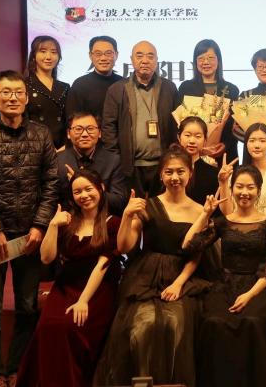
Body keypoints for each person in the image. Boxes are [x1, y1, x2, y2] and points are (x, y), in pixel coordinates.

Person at [0, 70, 58, 387]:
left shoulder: (41, 134)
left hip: (29, 235)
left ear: (27, 97)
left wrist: (40, 225)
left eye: (18, 92)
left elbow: (50, 184)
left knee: (28, 308)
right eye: (5, 92)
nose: (13, 98)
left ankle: (18, 367)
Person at [95, 146, 211, 387]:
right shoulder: (148, 206)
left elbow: (196, 256)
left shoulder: (200, 211)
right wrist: (127, 216)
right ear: (161, 175)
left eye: (180, 171)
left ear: (190, 173)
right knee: (141, 325)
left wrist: (178, 284)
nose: (175, 177)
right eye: (169, 172)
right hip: (146, 275)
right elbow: (125, 246)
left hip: (182, 277)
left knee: (175, 324)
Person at [16, 170, 121, 387]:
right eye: (77, 192)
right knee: (47, 327)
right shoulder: (68, 222)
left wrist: (83, 300)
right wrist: (53, 225)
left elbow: (102, 266)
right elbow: (46, 258)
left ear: (101, 188)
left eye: (88, 189)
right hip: (65, 286)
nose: (84, 195)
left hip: (97, 289)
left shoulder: (112, 223)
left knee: (71, 328)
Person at [182, 165, 266, 387]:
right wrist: (205, 214)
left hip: (258, 287)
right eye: (239, 186)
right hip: (224, 285)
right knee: (214, 323)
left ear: (259, 190)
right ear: (232, 188)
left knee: (252, 322)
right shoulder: (223, 222)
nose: (244, 192)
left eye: (250, 187)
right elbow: (188, 245)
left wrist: (249, 295)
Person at [102, 40, 179, 198]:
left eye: (150, 56)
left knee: (160, 209)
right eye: (139, 56)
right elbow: (108, 128)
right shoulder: (117, 89)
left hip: (163, 165)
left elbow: (177, 124)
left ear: (157, 61)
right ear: (131, 60)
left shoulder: (169, 88)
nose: (145, 60)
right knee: (135, 209)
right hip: (130, 167)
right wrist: (118, 160)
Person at [177, 39, 240, 161]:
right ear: (195, 62)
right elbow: (178, 123)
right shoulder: (186, 88)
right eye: (201, 58)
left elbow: (235, 126)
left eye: (211, 58)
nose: (206, 62)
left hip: (223, 154)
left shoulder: (232, 90)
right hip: (192, 155)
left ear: (218, 60)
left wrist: (225, 145)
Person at [57, 112, 129, 215]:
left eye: (90, 129)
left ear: (99, 133)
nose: (85, 134)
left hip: (104, 219)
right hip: (68, 218)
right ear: (68, 133)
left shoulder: (113, 160)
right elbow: (51, 199)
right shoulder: (57, 160)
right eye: (78, 129)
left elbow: (120, 202)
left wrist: (93, 188)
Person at [222, 123, 266, 217]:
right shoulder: (237, 174)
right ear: (246, 144)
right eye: (252, 141)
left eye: (262, 141)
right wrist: (223, 182)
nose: (257, 145)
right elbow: (228, 213)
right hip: (241, 224)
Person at [24, 35, 70, 149]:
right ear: (33, 56)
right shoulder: (24, 85)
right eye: (43, 51)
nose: (48, 57)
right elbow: (22, 121)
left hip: (62, 149)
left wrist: (66, 146)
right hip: (34, 148)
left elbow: (69, 120)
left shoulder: (65, 87)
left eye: (54, 52)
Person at [66, 35, 123, 120]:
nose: (103, 58)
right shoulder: (80, 85)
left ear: (116, 55)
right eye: (98, 54)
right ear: (90, 56)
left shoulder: (123, 83)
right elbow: (72, 119)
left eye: (108, 53)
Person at [177, 116, 220, 205]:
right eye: (187, 135)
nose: (192, 141)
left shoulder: (213, 173)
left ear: (205, 140)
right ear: (179, 137)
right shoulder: (168, 169)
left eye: (198, 136)